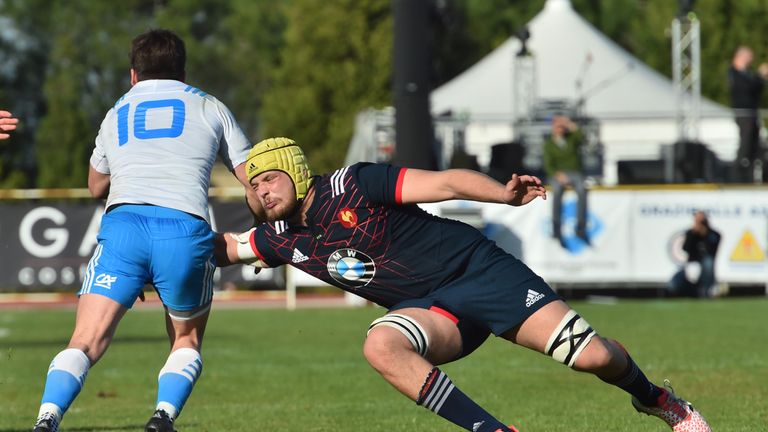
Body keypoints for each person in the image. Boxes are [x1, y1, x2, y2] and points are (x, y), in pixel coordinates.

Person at [216, 137, 712, 432]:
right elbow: (225, 250)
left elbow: (446, 183)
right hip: (432, 311)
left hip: (478, 272)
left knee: (597, 358)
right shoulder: (278, 238)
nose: (261, 190)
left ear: (296, 172)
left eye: (270, 179)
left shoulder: (353, 183)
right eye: (254, 186)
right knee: (381, 345)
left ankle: (658, 400)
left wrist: (502, 194)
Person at [32, 29, 254, 432]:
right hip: (184, 228)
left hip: (124, 227)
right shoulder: (210, 106)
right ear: (182, 72)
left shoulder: (117, 110)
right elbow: (253, 178)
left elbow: (96, 186)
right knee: (185, 340)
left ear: (134, 74)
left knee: (85, 340)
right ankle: (162, 417)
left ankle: (47, 418)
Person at [542, 115, 589, 245]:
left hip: (574, 172)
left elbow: (582, 136)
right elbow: (548, 164)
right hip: (557, 174)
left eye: (563, 126)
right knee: (556, 192)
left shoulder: (571, 138)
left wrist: (569, 123)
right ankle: (556, 229)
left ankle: (580, 227)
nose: (561, 129)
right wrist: (557, 174)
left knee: (581, 190)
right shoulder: (549, 144)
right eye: (558, 126)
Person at [727, 46, 768, 183]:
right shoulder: (734, 73)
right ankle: (737, 178)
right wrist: (759, 76)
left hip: (752, 114)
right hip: (744, 115)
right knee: (745, 147)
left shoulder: (747, 73)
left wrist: (759, 79)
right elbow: (747, 90)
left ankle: (750, 178)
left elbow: (756, 91)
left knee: (755, 147)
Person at [670, 211, 721, 298]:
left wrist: (705, 233)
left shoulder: (713, 234)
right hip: (691, 264)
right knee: (674, 284)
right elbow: (685, 248)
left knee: (708, 262)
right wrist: (694, 233)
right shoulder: (690, 233)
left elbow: (712, 248)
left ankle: (706, 290)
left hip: (705, 267)